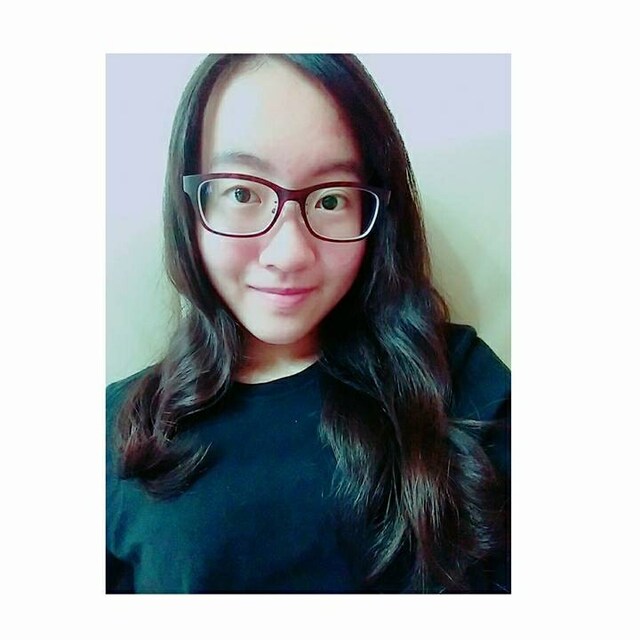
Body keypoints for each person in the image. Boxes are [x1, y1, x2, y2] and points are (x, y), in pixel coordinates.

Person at [106, 54, 510, 594]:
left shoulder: (461, 382)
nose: (289, 254)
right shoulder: (118, 430)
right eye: (242, 193)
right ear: (189, 208)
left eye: (331, 198)